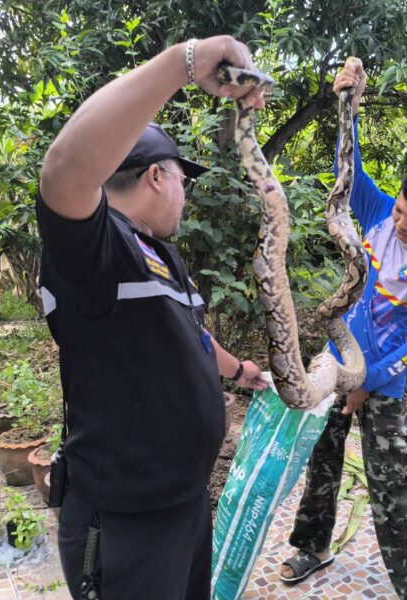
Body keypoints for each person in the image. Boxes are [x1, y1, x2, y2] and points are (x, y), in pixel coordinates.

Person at [37, 36, 268, 600]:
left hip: (182, 504)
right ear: (156, 177)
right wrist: (184, 63)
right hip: (126, 523)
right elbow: (64, 170)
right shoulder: (97, 251)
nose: (186, 196)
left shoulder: (157, 253)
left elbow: (190, 335)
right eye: (183, 182)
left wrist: (239, 371)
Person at [279, 59, 407, 600]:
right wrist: (348, 105)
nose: (401, 224)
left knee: (389, 488)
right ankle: (312, 548)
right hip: (334, 363)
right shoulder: (378, 212)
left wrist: (367, 380)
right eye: (400, 211)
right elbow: (348, 170)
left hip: (382, 382)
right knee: (320, 459)